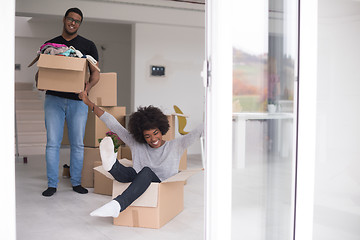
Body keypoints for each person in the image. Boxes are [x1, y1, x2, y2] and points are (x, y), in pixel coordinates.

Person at [78, 91, 203, 217]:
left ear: (161, 129)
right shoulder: (136, 143)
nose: (153, 139)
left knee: (146, 172)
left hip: (160, 184)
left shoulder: (176, 145)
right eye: (147, 136)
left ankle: (118, 204)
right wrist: (88, 102)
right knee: (132, 172)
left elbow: (197, 132)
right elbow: (113, 124)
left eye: (155, 133)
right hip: (137, 180)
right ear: (141, 136)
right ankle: (111, 165)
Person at [40, 7, 100, 197]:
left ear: (80, 24)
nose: (73, 23)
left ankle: (76, 182)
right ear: (64, 19)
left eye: (77, 21)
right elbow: (41, 73)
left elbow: (96, 73)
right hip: (53, 99)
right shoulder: (51, 44)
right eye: (70, 19)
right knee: (52, 143)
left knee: (77, 144)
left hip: (77, 102)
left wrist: (87, 89)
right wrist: (40, 83)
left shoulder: (88, 45)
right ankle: (52, 184)